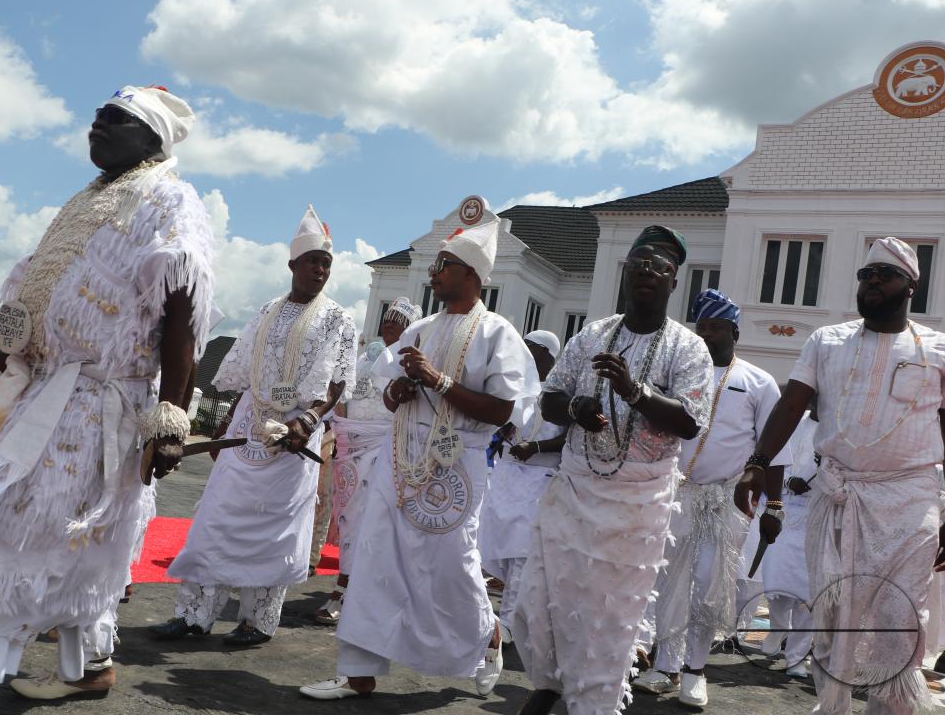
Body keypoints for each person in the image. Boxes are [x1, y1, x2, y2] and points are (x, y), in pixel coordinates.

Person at [0, 85, 216, 713]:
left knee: (18, 532)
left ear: (151, 138)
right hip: (44, 392)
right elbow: (32, 303)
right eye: (95, 118)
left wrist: (171, 415)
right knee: (80, 545)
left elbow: (181, 314)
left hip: (96, 406)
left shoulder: (171, 200)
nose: (96, 128)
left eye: (114, 120)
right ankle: (91, 667)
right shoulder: (90, 199)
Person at [300, 212, 541, 700]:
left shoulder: (499, 334)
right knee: (375, 556)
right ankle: (358, 671)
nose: (433, 273)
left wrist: (438, 381)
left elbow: (502, 412)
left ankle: (485, 635)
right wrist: (400, 389)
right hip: (403, 457)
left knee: (452, 564)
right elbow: (390, 397)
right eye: (434, 265)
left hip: (459, 467)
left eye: (444, 265)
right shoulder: (422, 328)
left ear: (471, 275)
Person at [734, 236, 945, 715]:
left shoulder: (939, 350)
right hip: (838, 493)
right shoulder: (825, 340)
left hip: (910, 499)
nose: (872, 281)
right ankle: (833, 705)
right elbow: (792, 404)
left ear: (911, 285)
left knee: (899, 615)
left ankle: (890, 708)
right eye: (865, 274)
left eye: (884, 274)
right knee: (831, 613)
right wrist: (756, 464)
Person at [512, 225, 714, 715]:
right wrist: (577, 408)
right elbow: (552, 394)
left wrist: (634, 392)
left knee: (605, 620)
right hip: (575, 487)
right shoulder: (593, 334)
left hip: (636, 505)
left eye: (658, 268)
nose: (646, 273)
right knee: (538, 604)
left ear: (673, 282)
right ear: (624, 275)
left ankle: (593, 702)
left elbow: (690, 420)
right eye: (638, 265)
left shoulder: (689, 349)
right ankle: (553, 684)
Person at [150, 204, 357, 649]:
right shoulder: (265, 310)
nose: (320, 269)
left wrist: (306, 420)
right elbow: (242, 374)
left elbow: (337, 384)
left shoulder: (338, 318)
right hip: (248, 426)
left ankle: (257, 621)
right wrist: (224, 426)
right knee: (215, 518)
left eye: (326, 263)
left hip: (297, 435)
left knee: (275, 529)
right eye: (313, 261)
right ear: (293, 265)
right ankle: (193, 616)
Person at [632, 289, 790, 707]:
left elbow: (773, 453)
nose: (705, 335)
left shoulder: (758, 381)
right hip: (674, 492)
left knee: (707, 587)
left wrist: (774, 505)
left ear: (734, 331)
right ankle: (665, 667)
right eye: (700, 327)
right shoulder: (678, 377)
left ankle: (695, 671)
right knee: (668, 582)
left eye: (715, 327)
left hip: (726, 500)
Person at [314, 297, 421, 625]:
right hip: (350, 447)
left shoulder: (411, 363)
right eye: (387, 317)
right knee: (348, 518)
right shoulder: (365, 356)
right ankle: (356, 586)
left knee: (373, 522)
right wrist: (338, 427)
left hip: (385, 449)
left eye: (397, 320)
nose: (389, 323)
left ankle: (347, 588)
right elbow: (341, 393)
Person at [479, 330, 567, 644]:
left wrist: (537, 448)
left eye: (531, 349)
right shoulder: (516, 384)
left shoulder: (560, 392)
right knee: (495, 549)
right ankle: (494, 616)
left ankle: (509, 622)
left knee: (521, 554)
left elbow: (569, 437)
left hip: (537, 480)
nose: (524, 353)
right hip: (507, 476)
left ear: (547, 356)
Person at [758, 397, 819, 678]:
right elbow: (775, 460)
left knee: (809, 596)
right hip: (784, 509)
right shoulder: (794, 424)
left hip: (818, 516)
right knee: (777, 582)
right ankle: (777, 628)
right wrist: (788, 482)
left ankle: (796, 658)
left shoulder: (838, 430)